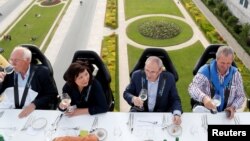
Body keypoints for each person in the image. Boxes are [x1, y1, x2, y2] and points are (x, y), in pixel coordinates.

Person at [188, 46, 245, 119]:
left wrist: (233, 107)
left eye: (228, 63)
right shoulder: (205, 71)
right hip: (207, 112)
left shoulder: (236, 74)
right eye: (222, 63)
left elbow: (241, 96)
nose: (225, 66)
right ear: (216, 59)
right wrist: (204, 98)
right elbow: (192, 87)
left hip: (225, 115)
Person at [0, 46, 58, 118]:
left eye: (16, 60)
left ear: (27, 60)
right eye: (11, 60)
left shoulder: (42, 72)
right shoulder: (8, 73)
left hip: (34, 112)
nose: (12, 64)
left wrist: (34, 105)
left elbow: (52, 94)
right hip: (11, 112)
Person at [123, 56, 182, 125]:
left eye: (152, 72)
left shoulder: (169, 78)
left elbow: (175, 99)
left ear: (160, 70)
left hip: (161, 115)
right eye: (147, 70)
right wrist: (133, 98)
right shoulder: (136, 75)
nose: (148, 75)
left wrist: (177, 114)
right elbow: (126, 93)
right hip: (140, 113)